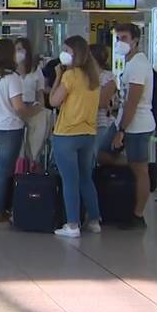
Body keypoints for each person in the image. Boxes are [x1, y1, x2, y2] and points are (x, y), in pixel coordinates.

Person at [98, 23, 156, 230]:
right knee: (101, 153)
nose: (120, 42)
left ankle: (138, 215)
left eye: (123, 38)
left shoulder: (139, 65)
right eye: (117, 39)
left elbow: (133, 101)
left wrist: (121, 131)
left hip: (137, 125)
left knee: (140, 171)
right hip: (122, 119)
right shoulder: (125, 63)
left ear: (135, 41)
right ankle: (134, 163)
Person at [0, 39, 41, 229]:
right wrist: (34, 110)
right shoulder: (12, 78)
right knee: (2, 172)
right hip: (8, 130)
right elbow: (19, 108)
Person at [48, 35, 102, 238]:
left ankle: (72, 225)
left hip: (67, 134)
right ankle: (95, 220)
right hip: (88, 134)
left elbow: (54, 101)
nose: (63, 54)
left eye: (66, 51)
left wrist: (57, 77)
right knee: (85, 178)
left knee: (70, 180)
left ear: (75, 53)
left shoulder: (70, 77)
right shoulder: (94, 76)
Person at [15, 38, 49, 167]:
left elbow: (40, 95)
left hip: (32, 106)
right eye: (15, 50)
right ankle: (20, 162)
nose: (17, 53)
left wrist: (40, 106)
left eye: (20, 49)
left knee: (40, 122)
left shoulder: (36, 70)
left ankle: (33, 159)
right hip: (16, 107)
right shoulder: (10, 71)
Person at [90, 44, 118, 159]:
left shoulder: (108, 77)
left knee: (97, 156)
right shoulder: (84, 76)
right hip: (86, 124)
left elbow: (102, 102)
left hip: (102, 123)